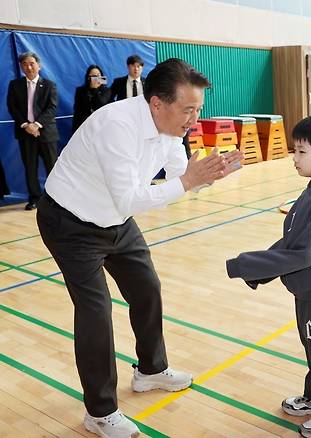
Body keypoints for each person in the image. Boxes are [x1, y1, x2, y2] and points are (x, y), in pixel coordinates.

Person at [36, 58, 243, 438]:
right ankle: (99, 412)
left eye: (198, 110)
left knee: (147, 288)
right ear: (157, 104)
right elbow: (131, 198)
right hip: (70, 222)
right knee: (96, 310)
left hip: (114, 218)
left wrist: (211, 174)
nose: (194, 120)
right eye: (188, 110)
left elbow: (183, 175)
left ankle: (150, 370)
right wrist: (189, 181)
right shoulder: (117, 126)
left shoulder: (170, 127)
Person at [226, 114, 311, 438]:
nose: (294, 158)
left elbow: (302, 255)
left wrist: (247, 265)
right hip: (308, 289)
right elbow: (292, 242)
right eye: (294, 150)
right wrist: (260, 273)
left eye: (302, 152)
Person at [6, 51, 59, 210]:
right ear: (21, 67)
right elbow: (12, 107)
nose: (29, 67)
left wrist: (36, 125)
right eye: (25, 64)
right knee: (30, 167)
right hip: (25, 133)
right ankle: (35, 198)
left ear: (39, 65)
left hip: (46, 132)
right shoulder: (15, 85)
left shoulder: (49, 85)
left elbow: (52, 108)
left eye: (32, 63)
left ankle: (55, 199)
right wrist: (26, 125)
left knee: (52, 167)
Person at [72, 64, 112, 132]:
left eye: (98, 75)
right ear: (88, 77)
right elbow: (77, 111)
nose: (96, 78)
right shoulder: (80, 91)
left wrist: (95, 89)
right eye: (94, 76)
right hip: (84, 126)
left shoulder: (106, 90)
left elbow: (100, 104)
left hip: (101, 126)